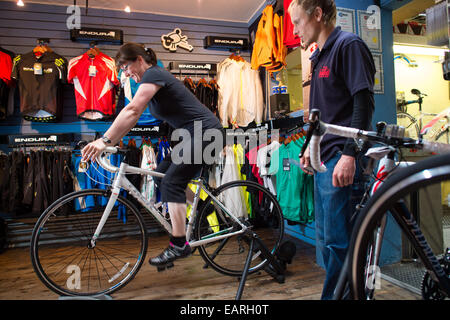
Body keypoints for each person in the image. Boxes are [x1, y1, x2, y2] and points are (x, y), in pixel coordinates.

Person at [81, 43, 224, 269]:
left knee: (171, 182)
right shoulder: (151, 80)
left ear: (139, 59)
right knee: (159, 175)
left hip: (208, 133)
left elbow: (132, 111)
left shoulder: (154, 73)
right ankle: (207, 208)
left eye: (126, 67)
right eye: (122, 70)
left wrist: (104, 140)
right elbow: (132, 117)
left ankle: (179, 244)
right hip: (192, 136)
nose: (126, 74)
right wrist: (110, 141)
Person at [289, 0, 376, 299]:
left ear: (317, 14)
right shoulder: (319, 57)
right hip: (323, 162)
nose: (294, 29)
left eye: (297, 21)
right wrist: (306, 149)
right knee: (329, 245)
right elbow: (321, 115)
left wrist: (350, 154)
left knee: (343, 245)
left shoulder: (348, 45)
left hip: (342, 160)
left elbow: (364, 105)